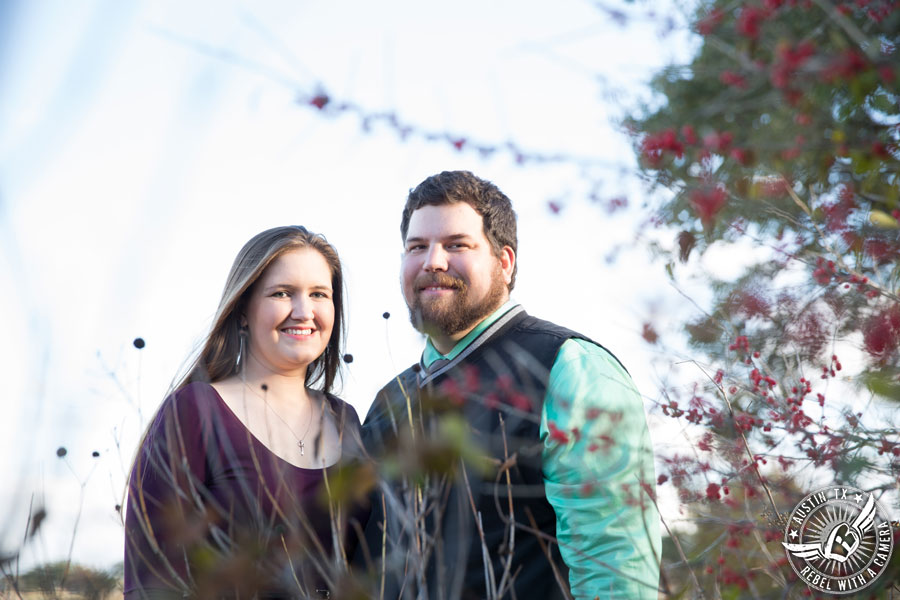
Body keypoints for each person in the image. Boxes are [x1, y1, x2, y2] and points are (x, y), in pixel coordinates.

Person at [361, 172, 661, 599]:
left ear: (504, 262)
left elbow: (614, 561)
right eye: (417, 247)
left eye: (456, 244)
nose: (433, 261)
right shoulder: (389, 400)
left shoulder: (567, 368)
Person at [124, 226, 368, 599]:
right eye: (282, 293)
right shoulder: (194, 412)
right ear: (242, 311)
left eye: (319, 294)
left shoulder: (345, 421)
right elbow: (151, 581)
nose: (304, 312)